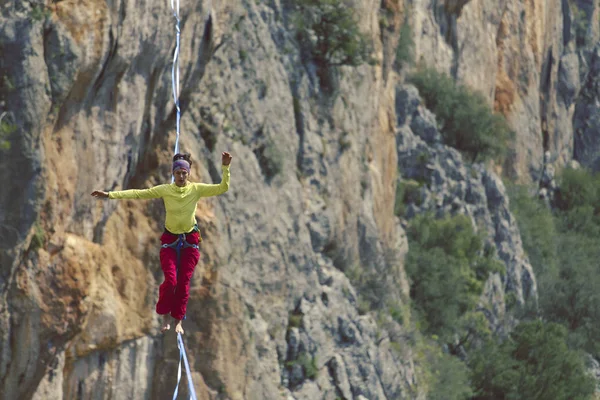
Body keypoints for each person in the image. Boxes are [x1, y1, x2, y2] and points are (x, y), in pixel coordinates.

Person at [91, 151, 232, 334]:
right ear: (173, 174)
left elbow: (222, 188)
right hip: (170, 241)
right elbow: (138, 194)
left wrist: (225, 167)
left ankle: (178, 320)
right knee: (171, 281)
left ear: (188, 174)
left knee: (183, 282)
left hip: (190, 240)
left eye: (184, 173)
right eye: (178, 173)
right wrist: (109, 195)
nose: (181, 176)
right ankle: (165, 314)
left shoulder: (196, 189)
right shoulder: (165, 190)